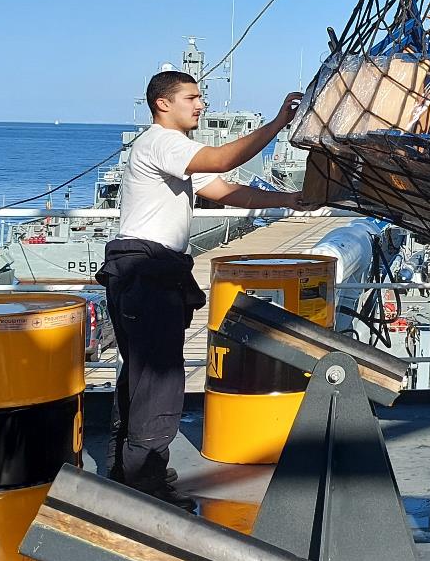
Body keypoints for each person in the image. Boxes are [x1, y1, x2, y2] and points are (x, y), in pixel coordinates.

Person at [98, 70, 309, 510]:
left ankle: (126, 466)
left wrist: (288, 201)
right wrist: (276, 125)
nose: (201, 105)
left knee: (140, 372)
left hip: (144, 270)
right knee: (160, 379)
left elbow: (225, 191)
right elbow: (221, 162)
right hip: (147, 268)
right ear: (162, 103)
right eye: (192, 97)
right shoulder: (162, 141)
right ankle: (145, 484)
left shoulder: (172, 153)